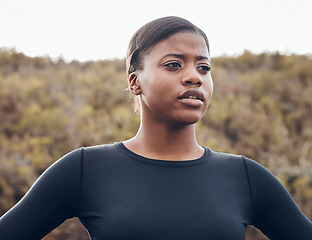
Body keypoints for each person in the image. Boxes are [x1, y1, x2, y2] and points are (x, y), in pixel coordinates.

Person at [0, 16, 311, 240]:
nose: (194, 77)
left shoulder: (245, 176)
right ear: (135, 81)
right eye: (174, 64)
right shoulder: (84, 169)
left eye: (203, 67)